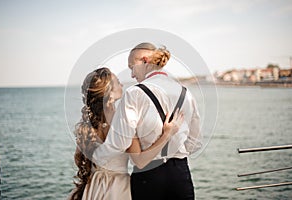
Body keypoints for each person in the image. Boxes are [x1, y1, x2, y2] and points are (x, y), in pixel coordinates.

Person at [93, 43, 202, 200]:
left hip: (148, 177)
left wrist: (95, 157)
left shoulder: (134, 93)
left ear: (144, 61)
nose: (131, 74)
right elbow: (195, 141)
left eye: (132, 67)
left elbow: (120, 143)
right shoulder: (186, 93)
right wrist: (174, 152)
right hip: (180, 175)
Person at [69, 67, 184, 200]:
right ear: (109, 94)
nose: (122, 84)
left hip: (93, 187)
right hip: (116, 189)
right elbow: (140, 160)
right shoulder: (124, 120)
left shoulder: (87, 125)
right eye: (118, 82)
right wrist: (167, 135)